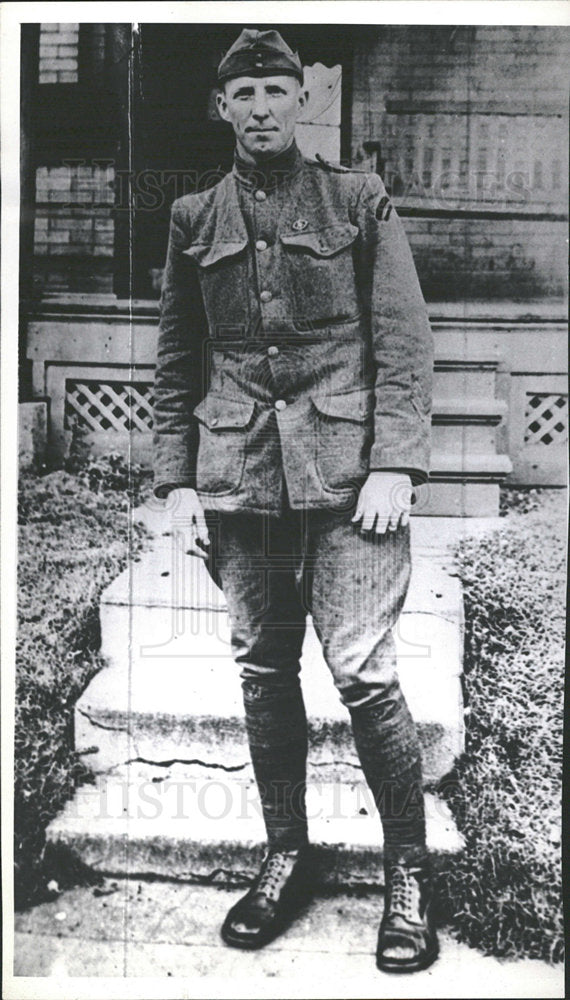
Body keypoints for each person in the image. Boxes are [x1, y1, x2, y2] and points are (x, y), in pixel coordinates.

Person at [153, 28, 437, 973]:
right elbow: (175, 363)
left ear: (301, 99)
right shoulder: (194, 217)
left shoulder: (357, 198)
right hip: (242, 488)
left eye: (280, 88)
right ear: (222, 108)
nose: (265, 106)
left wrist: (397, 462)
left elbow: (403, 339)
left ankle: (408, 872)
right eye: (248, 93)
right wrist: (179, 479)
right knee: (265, 675)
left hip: (355, 488)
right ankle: (286, 853)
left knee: (363, 673)